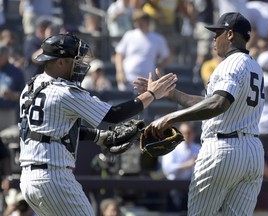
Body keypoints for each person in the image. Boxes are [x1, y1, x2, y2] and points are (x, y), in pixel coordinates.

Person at [18, 32, 177, 216]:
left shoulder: (30, 87)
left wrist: (99, 136)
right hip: (53, 178)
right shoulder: (64, 91)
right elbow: (113, 115)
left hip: (29, 179)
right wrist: (152, 94)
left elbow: (53, 131)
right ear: (60, 62)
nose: (81, 65)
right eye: (76, 60)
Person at [137, 12, 265, 215]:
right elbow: (213, 102)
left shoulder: (230, 64)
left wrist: (170, 117)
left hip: (223, 149)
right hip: (252, 153)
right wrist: (172, 94)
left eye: (218, 33)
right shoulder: (254, 66)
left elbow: (218, 104)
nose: (214, 38)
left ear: (230, 34)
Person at [115, 9, 170, 91]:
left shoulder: (158, 39)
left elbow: (166, 57)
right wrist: (120, 72)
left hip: (147, 83)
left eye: (141, 21)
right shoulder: (129, 35)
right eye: (136, 21)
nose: (138, 24)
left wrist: (156, 68)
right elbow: (119, 55)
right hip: (128, 81)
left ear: (148, 22)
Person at [161, 122, 201, 212]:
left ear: (193, 134)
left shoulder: (198, 148)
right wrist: (189, 164)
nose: (186, 135)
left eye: (189, 132)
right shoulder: (172, 148)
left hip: (193, 188)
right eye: (184, 132)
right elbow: (167, 169)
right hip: (175, 189)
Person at [0, 42, 26, 131]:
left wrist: (12, 95)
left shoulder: (16, 72)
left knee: (6, 141)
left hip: (8, 112)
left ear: (6, 55)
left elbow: (24, 95)